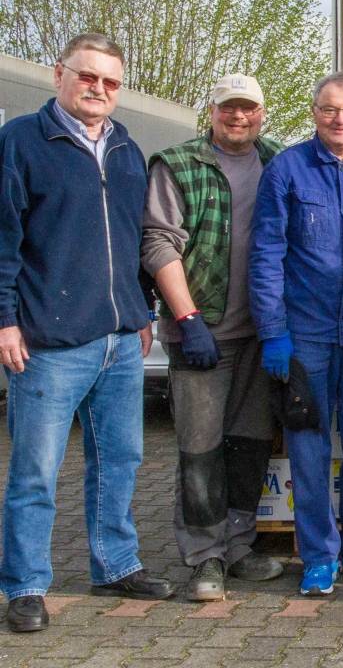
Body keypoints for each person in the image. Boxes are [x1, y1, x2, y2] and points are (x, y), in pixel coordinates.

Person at [0, 33, 172, 633]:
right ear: (60, 75)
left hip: (121, 339)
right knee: (36, 471)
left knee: (120, 459)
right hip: (48, 343)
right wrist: (4, 320)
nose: (99, 89)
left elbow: (132, 239)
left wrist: (143, 307)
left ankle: (115, 563)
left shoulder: (125, 147)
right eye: (88, 76)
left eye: (111, 82)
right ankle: (25, 585)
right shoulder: (21, 142)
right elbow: (3, 241)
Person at [141, 74, 285, 601]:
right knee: (199, 451)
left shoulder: (276, 159)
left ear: (262, 114)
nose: (239, 117)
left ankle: (240, 544)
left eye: (248, 109)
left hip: (260, 334)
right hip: (203, 333)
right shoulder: (178, 164)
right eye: (229, 109)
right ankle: (205, 557)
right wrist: (186, 318)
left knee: (248, 445)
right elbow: (159, 242)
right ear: (212, 110)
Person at [249, 72, 343, 596]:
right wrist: (273, 332)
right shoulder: (286, 170)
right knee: (308, 446)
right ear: (315, 113)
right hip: (303, 336)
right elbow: (266, 254)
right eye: (331, 110)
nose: (341, 120)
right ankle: (317, 555)